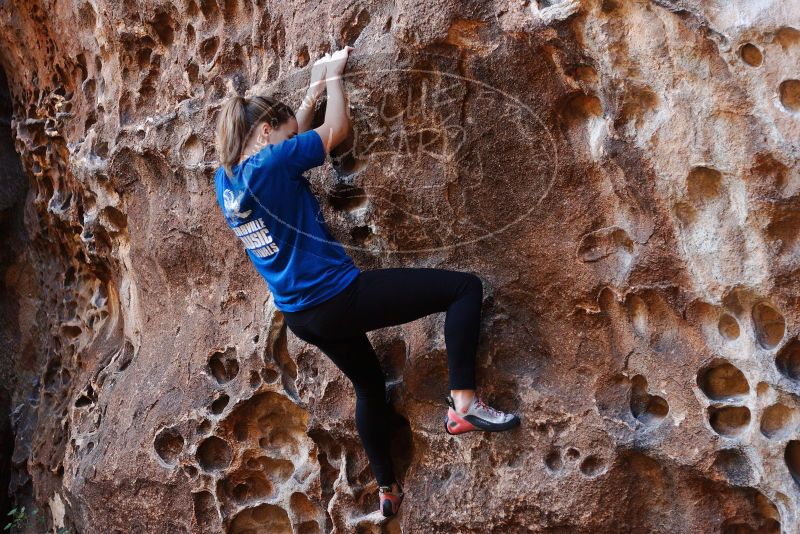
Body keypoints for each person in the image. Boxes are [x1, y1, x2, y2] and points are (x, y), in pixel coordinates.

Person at [213, 46, 521, 518]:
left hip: (301, 316)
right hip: (338, 298)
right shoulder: (272, 165)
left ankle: (387, 487)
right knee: (464, 289)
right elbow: (335, 132)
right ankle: (464, 403)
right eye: (284, 131)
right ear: (265, 132)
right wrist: (335, 78)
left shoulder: (228, 180)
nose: (291, 136)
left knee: (370, 386)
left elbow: (289, 144)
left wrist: (312, 90)